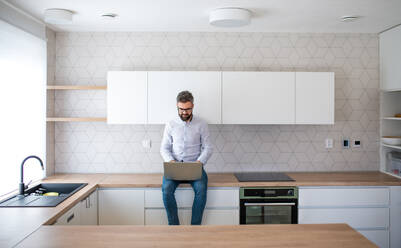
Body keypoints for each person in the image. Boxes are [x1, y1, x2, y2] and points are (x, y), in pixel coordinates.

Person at [160, 90, 213, 225]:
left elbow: (208, 147)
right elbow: (164, 148)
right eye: (181, 109)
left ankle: (194, 228)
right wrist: (170, 161)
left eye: (187, 109)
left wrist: (199, 162)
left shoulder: (202, 124)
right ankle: (174, 227)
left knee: (201, 190)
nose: (184, 112)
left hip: (195, 166)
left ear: (193, 106)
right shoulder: (170, 124)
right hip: (175, 166)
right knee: (166, 190)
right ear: (177, 107)